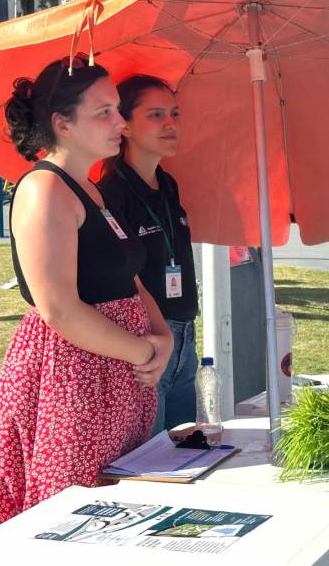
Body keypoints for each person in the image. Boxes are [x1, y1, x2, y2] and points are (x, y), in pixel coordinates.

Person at [0, 56, 173, 523]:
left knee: (120, 511)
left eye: (118, 109)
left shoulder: (91, 189)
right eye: (104, 112)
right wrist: (142, 351)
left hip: (117, 375)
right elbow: (59, 310)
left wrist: (162, 338)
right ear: (62, 123)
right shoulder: (44, 190)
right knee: (73, 517)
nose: (120, 122)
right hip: (71, 380)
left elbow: (129, 279)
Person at [98, 75, 199, 434]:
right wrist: (157, 338)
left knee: (190, 452)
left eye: (174, 113)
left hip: (186, 334)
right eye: (155, 115)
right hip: (150, 342)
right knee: (151, 464)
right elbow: (122, 275)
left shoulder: (168, 183)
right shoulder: (111, 192)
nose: (171, 124)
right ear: (124, 125)